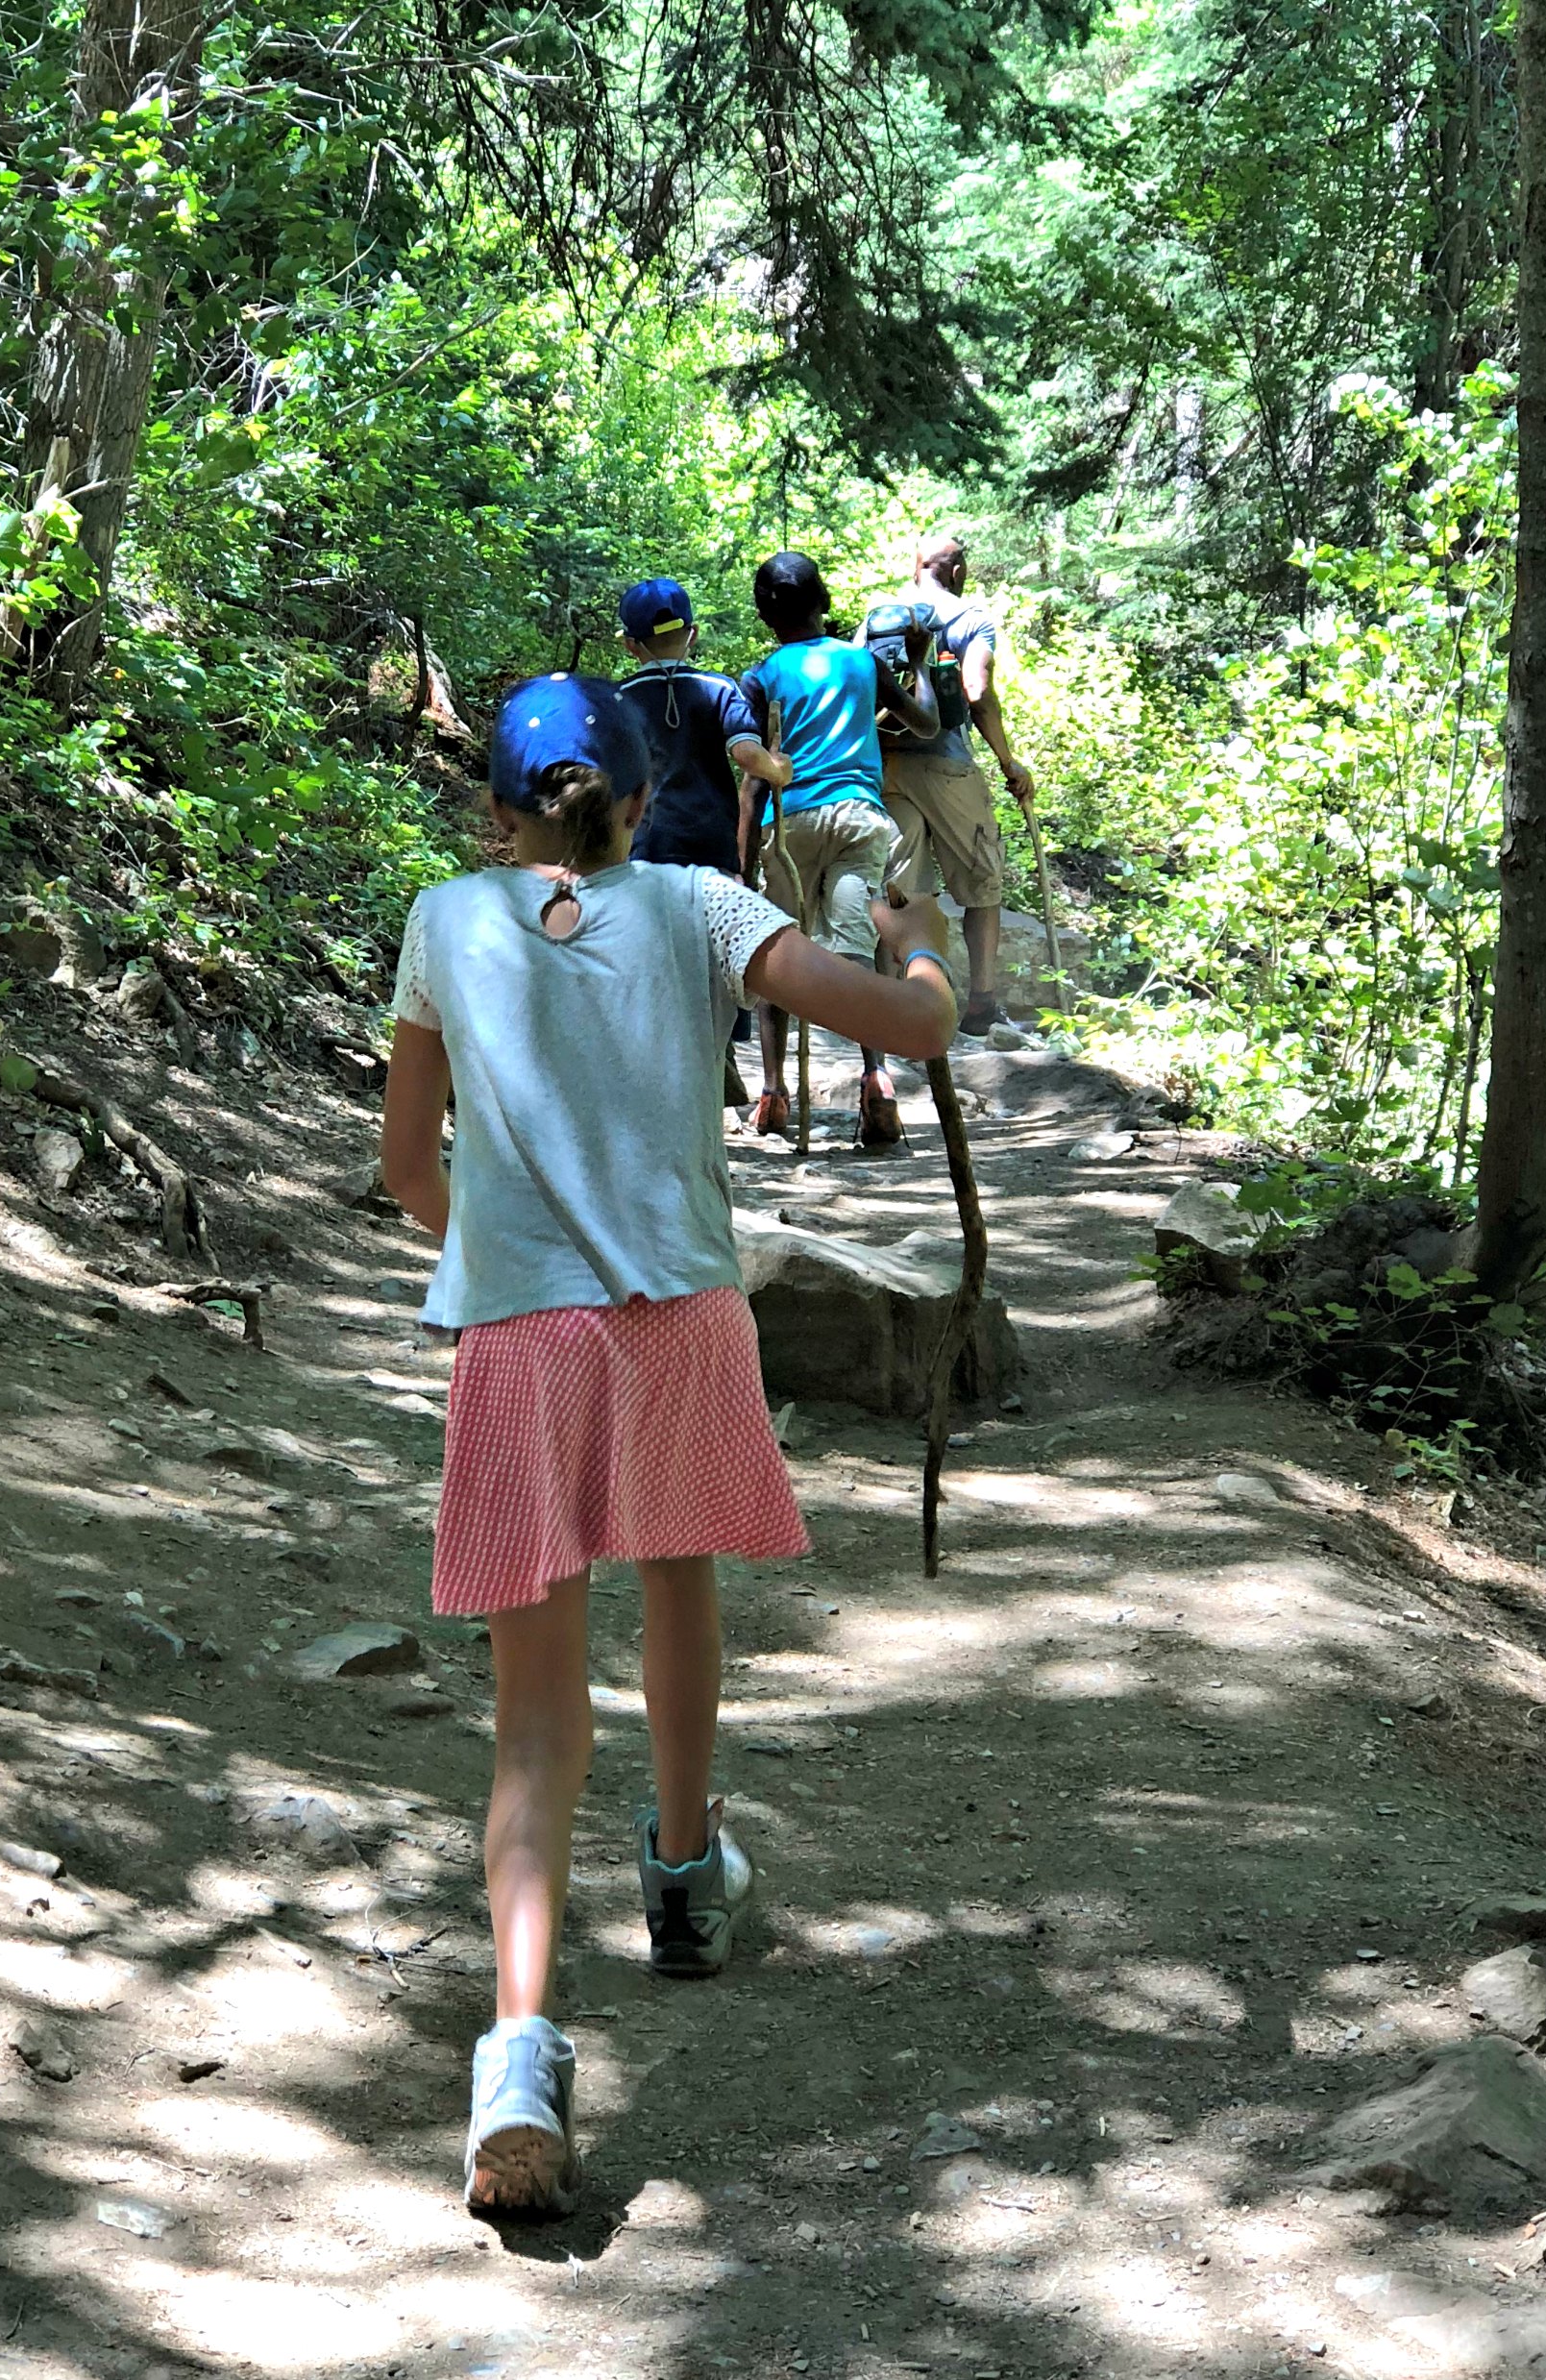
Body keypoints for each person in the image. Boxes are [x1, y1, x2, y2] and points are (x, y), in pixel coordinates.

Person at [380, 674, 957, 2216]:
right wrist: (911, 937)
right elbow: (911, 1020)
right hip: (679, 1321)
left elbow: (402, 1164)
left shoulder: (444, 919)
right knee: (678, 1590)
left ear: (495, 814)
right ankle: (689, 1879)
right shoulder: (702, 908)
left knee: (527, 1726)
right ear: (643, 800)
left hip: (520, 1337)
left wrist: (493, 1256)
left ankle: (516, 2048)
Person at [741, 551, 938, 1147]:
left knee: (776, 952)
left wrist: (743, 862)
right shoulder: (861, 662)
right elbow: (925, 723)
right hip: (859, 817)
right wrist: (921, 667)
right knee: (861, 952)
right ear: (824, 601)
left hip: (790, 819)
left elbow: (752, 780)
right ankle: (876, 1076)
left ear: (764, 614)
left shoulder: (763, 676)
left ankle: (774, 1091)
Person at [616, 575, 793, 1106]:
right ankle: (718, 1053)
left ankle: (660, 1064)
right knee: (718, 957)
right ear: (691, 635)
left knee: (653, 957)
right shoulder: (719, 690)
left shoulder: (619, 699)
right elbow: (746, 755)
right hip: (712, 852)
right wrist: (778, 769)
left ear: (630, 644)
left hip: (644, 851)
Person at [870, 532, 1037, 1034]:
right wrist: (1009, 762)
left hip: (886, 766)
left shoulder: (879, 617)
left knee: (901, 888)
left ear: (914, 567)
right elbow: (977, 690)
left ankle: (900, 1004)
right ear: (958, 572)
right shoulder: (970, 619)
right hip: (946, 764)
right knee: (981, 880)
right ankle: (981, 1007)